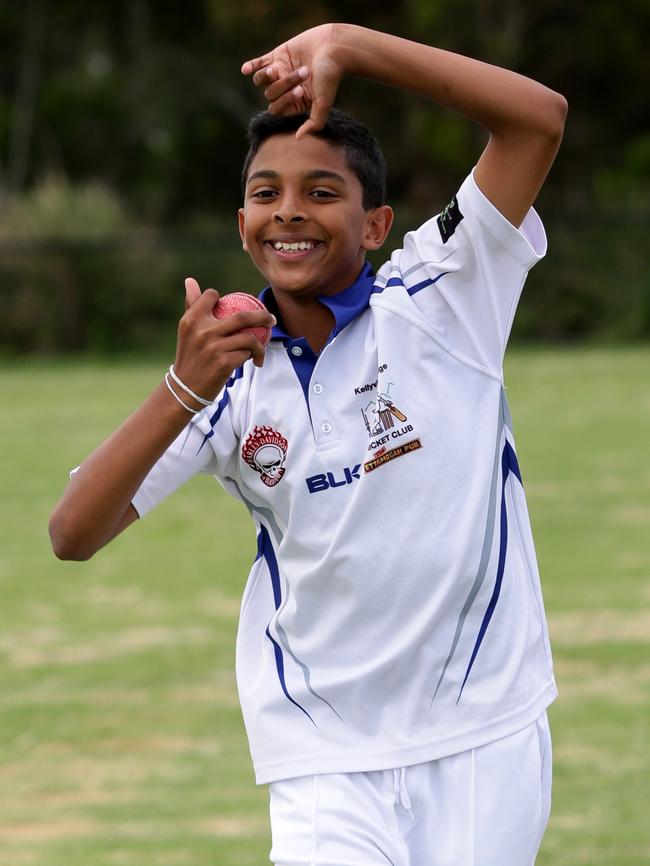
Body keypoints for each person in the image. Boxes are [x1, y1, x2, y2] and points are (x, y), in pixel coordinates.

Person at [50, 22, 567, 866]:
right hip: (322, 755)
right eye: (266, 192)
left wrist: (351, 45)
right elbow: (73, 532)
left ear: (375, 225)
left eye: (323, 191)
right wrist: (183, 387)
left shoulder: (444, 295)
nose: (289, 209)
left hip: (485, 732)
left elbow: (537, 120)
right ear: (242, 221)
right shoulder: (228, 379)